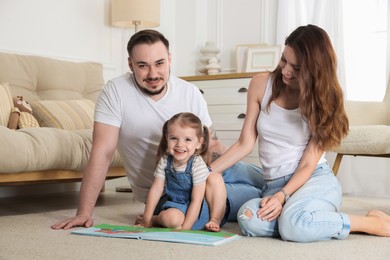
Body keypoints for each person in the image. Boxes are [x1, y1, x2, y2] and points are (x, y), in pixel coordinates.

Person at [51, 29, 263, 231]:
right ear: (130, 64)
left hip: (208, 168)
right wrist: (84, 212)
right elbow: (102, 152)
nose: (153, 74)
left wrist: (210, 174)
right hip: (174, 190)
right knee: (259, 201)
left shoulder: (189, 92)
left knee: (268, 179)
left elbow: (212, 144)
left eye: (159, 63)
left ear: (169, 59)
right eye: (143, 65)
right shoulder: (116, 91)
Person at [208, 24, 390, 242]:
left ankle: (369, 223)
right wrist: (205, 172)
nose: (286, 71)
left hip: (312, 180)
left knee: (293, 226)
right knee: (248, 218)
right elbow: (245, 143)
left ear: (314, 70)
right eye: (284, 60)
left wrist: (282, 196)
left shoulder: (325, 101)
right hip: (272, 182)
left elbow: (307, 164)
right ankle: (309, 218)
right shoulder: (260, 84)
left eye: (297, 68)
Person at [135, 112, 225, 230]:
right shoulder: (165, 160)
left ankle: (214, 220)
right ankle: (156, 219)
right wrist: (146, 219)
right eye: (173, 138)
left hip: (196, 206)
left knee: (215, 177)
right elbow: (156, 189)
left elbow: (196, 200)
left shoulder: (197, 164)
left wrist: (185, 229)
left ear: (198, 143)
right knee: (172, 219)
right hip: (174, 204)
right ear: (167, 139)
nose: (179, 145)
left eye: (187, 139)